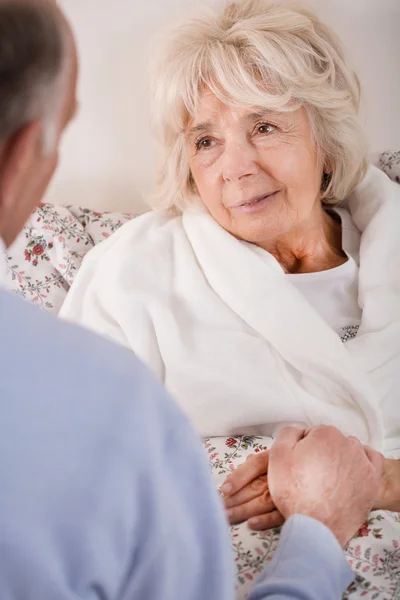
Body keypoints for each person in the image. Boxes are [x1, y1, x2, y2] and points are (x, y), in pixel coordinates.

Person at [0, 1, 386, 599]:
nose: (235, 167)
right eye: (206, 140)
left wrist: (376, 481)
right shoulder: (135, 273)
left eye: (264, 126)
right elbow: (84, 493)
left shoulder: (390, 241)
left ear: (325, 131)